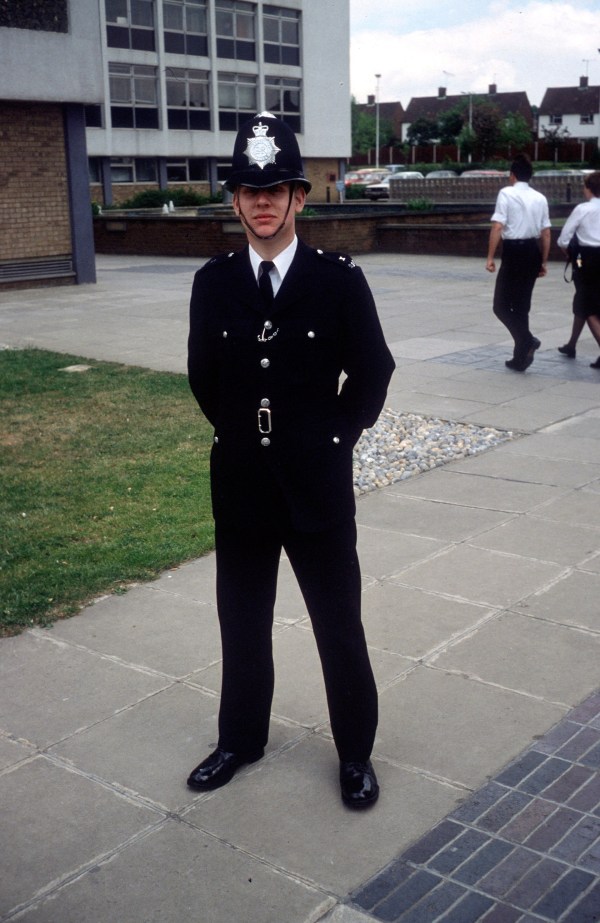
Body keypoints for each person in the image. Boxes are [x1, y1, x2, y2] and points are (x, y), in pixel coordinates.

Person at [186, 112, 395, 809]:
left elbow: (372, 371)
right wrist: (248, 435)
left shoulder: (338, 281)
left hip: (318, 489)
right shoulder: (212, 283)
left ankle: (356, 753)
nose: (263, 200)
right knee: (241, 623)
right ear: (235, 200)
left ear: (301, 196)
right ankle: (240, 739)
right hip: (243, 485)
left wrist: (333, 438)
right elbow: (205, 380)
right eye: (250, 189)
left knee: (340, 625)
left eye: (277, 187)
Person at [486, 153, 551, 371]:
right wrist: (543, 261)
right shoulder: (540, 198)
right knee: (522, 307)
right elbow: (546, 233)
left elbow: (497, 226)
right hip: (532, 251)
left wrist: (490, 257)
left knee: (501, 306)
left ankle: (526, 340)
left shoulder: (507, 193)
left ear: (512, 175)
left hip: (513, 252)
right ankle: (520, 357)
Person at [557, 171, 600, 369]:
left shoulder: (583, 209)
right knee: (583, 300)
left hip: (585, 260)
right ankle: (572, 344)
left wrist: (572, 255)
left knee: (586, 304)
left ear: (589, 189)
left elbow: (563, 240)